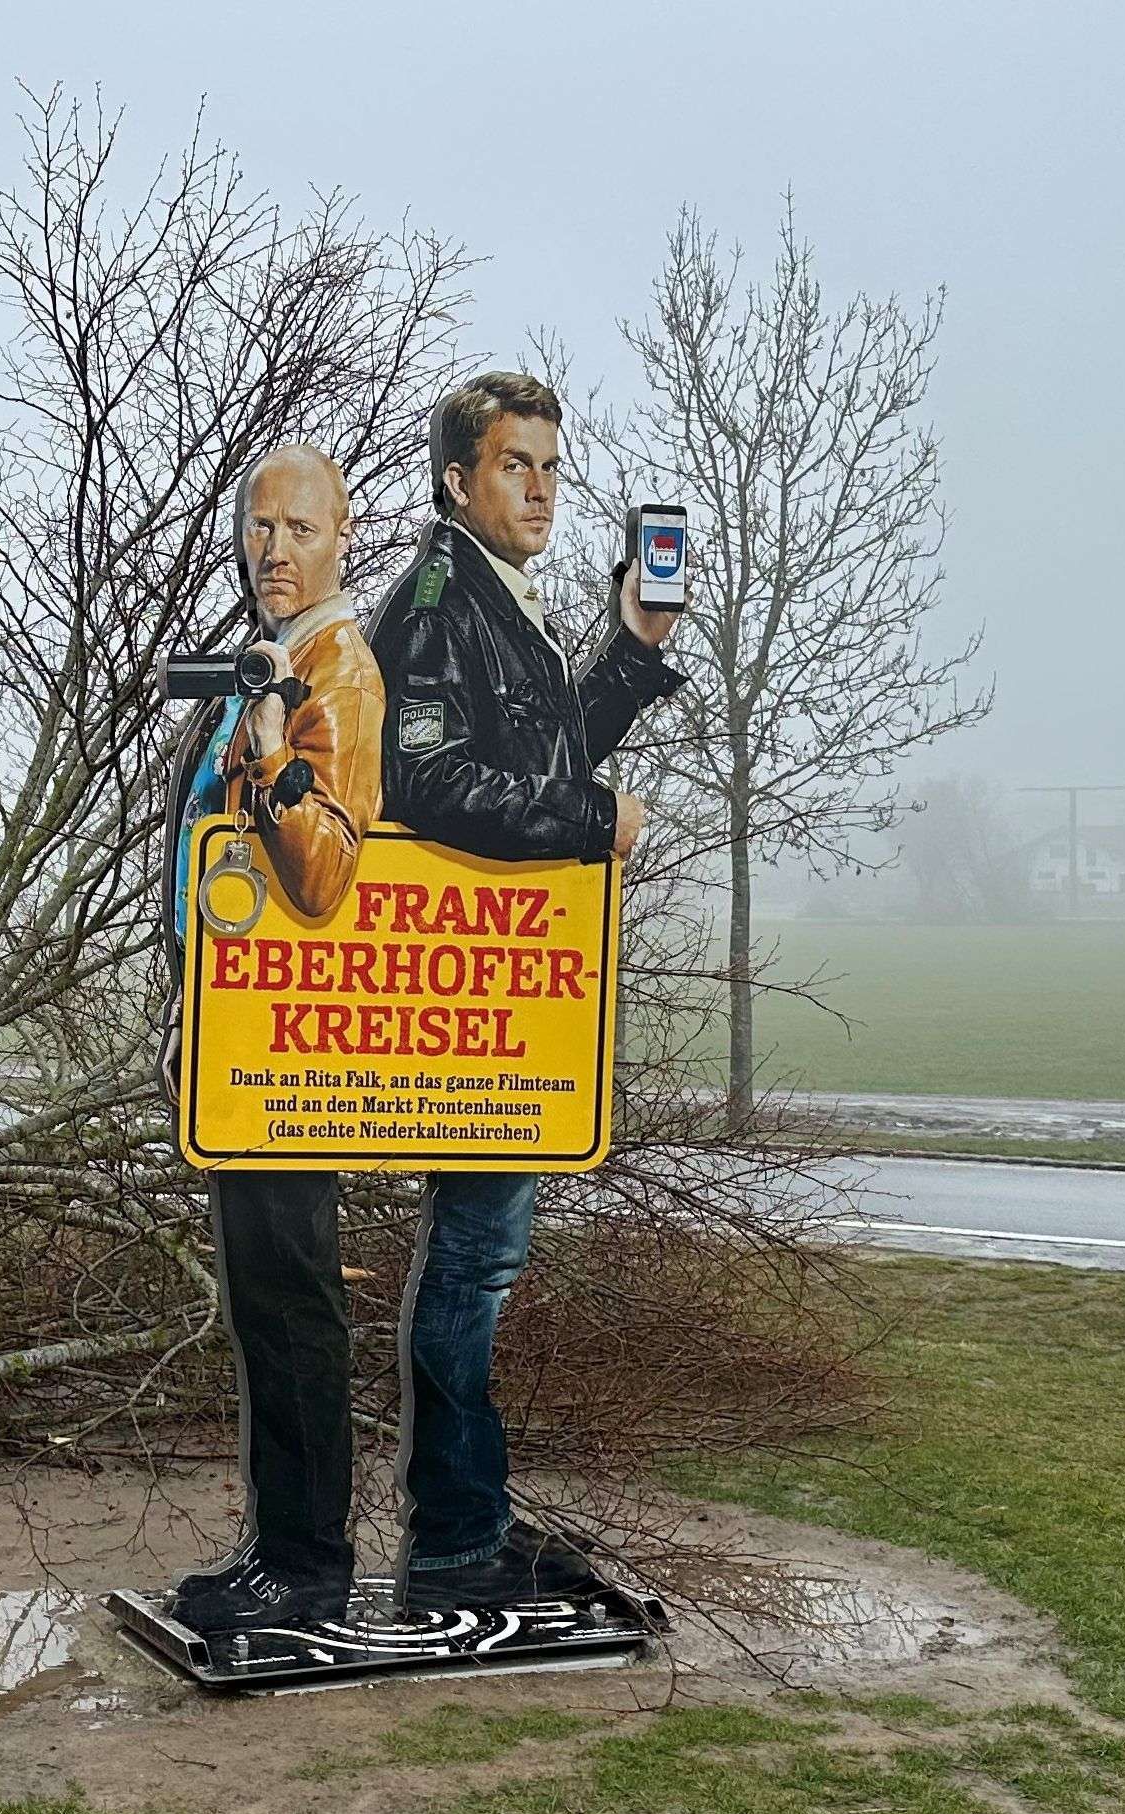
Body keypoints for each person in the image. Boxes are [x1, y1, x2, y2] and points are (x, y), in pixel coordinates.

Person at [367, 370, 686, 1612]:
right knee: (471, 1265)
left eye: (552, 466)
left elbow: (537, 749)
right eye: (516, 466)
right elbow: (434, 784)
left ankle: (468, 1522)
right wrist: (594, 817)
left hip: (509, 989)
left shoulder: (501, 600)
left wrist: (633, 651)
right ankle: (455, 1540)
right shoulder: (441, 602)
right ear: (458, 480)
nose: (543, 489)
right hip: (463, 988)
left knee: (481, 1258)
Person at [166, 442, 390, 1639]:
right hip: (243, 1044)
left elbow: (327, 879)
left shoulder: (337, 678)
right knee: (262, 1299)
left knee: (295, 1297)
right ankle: (276, 1544)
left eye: (299, 529)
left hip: (297, 1058)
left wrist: (267, 762)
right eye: (259, 528)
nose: (274, 551)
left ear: (341, 535)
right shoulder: (269, 664)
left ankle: (310, 1562)